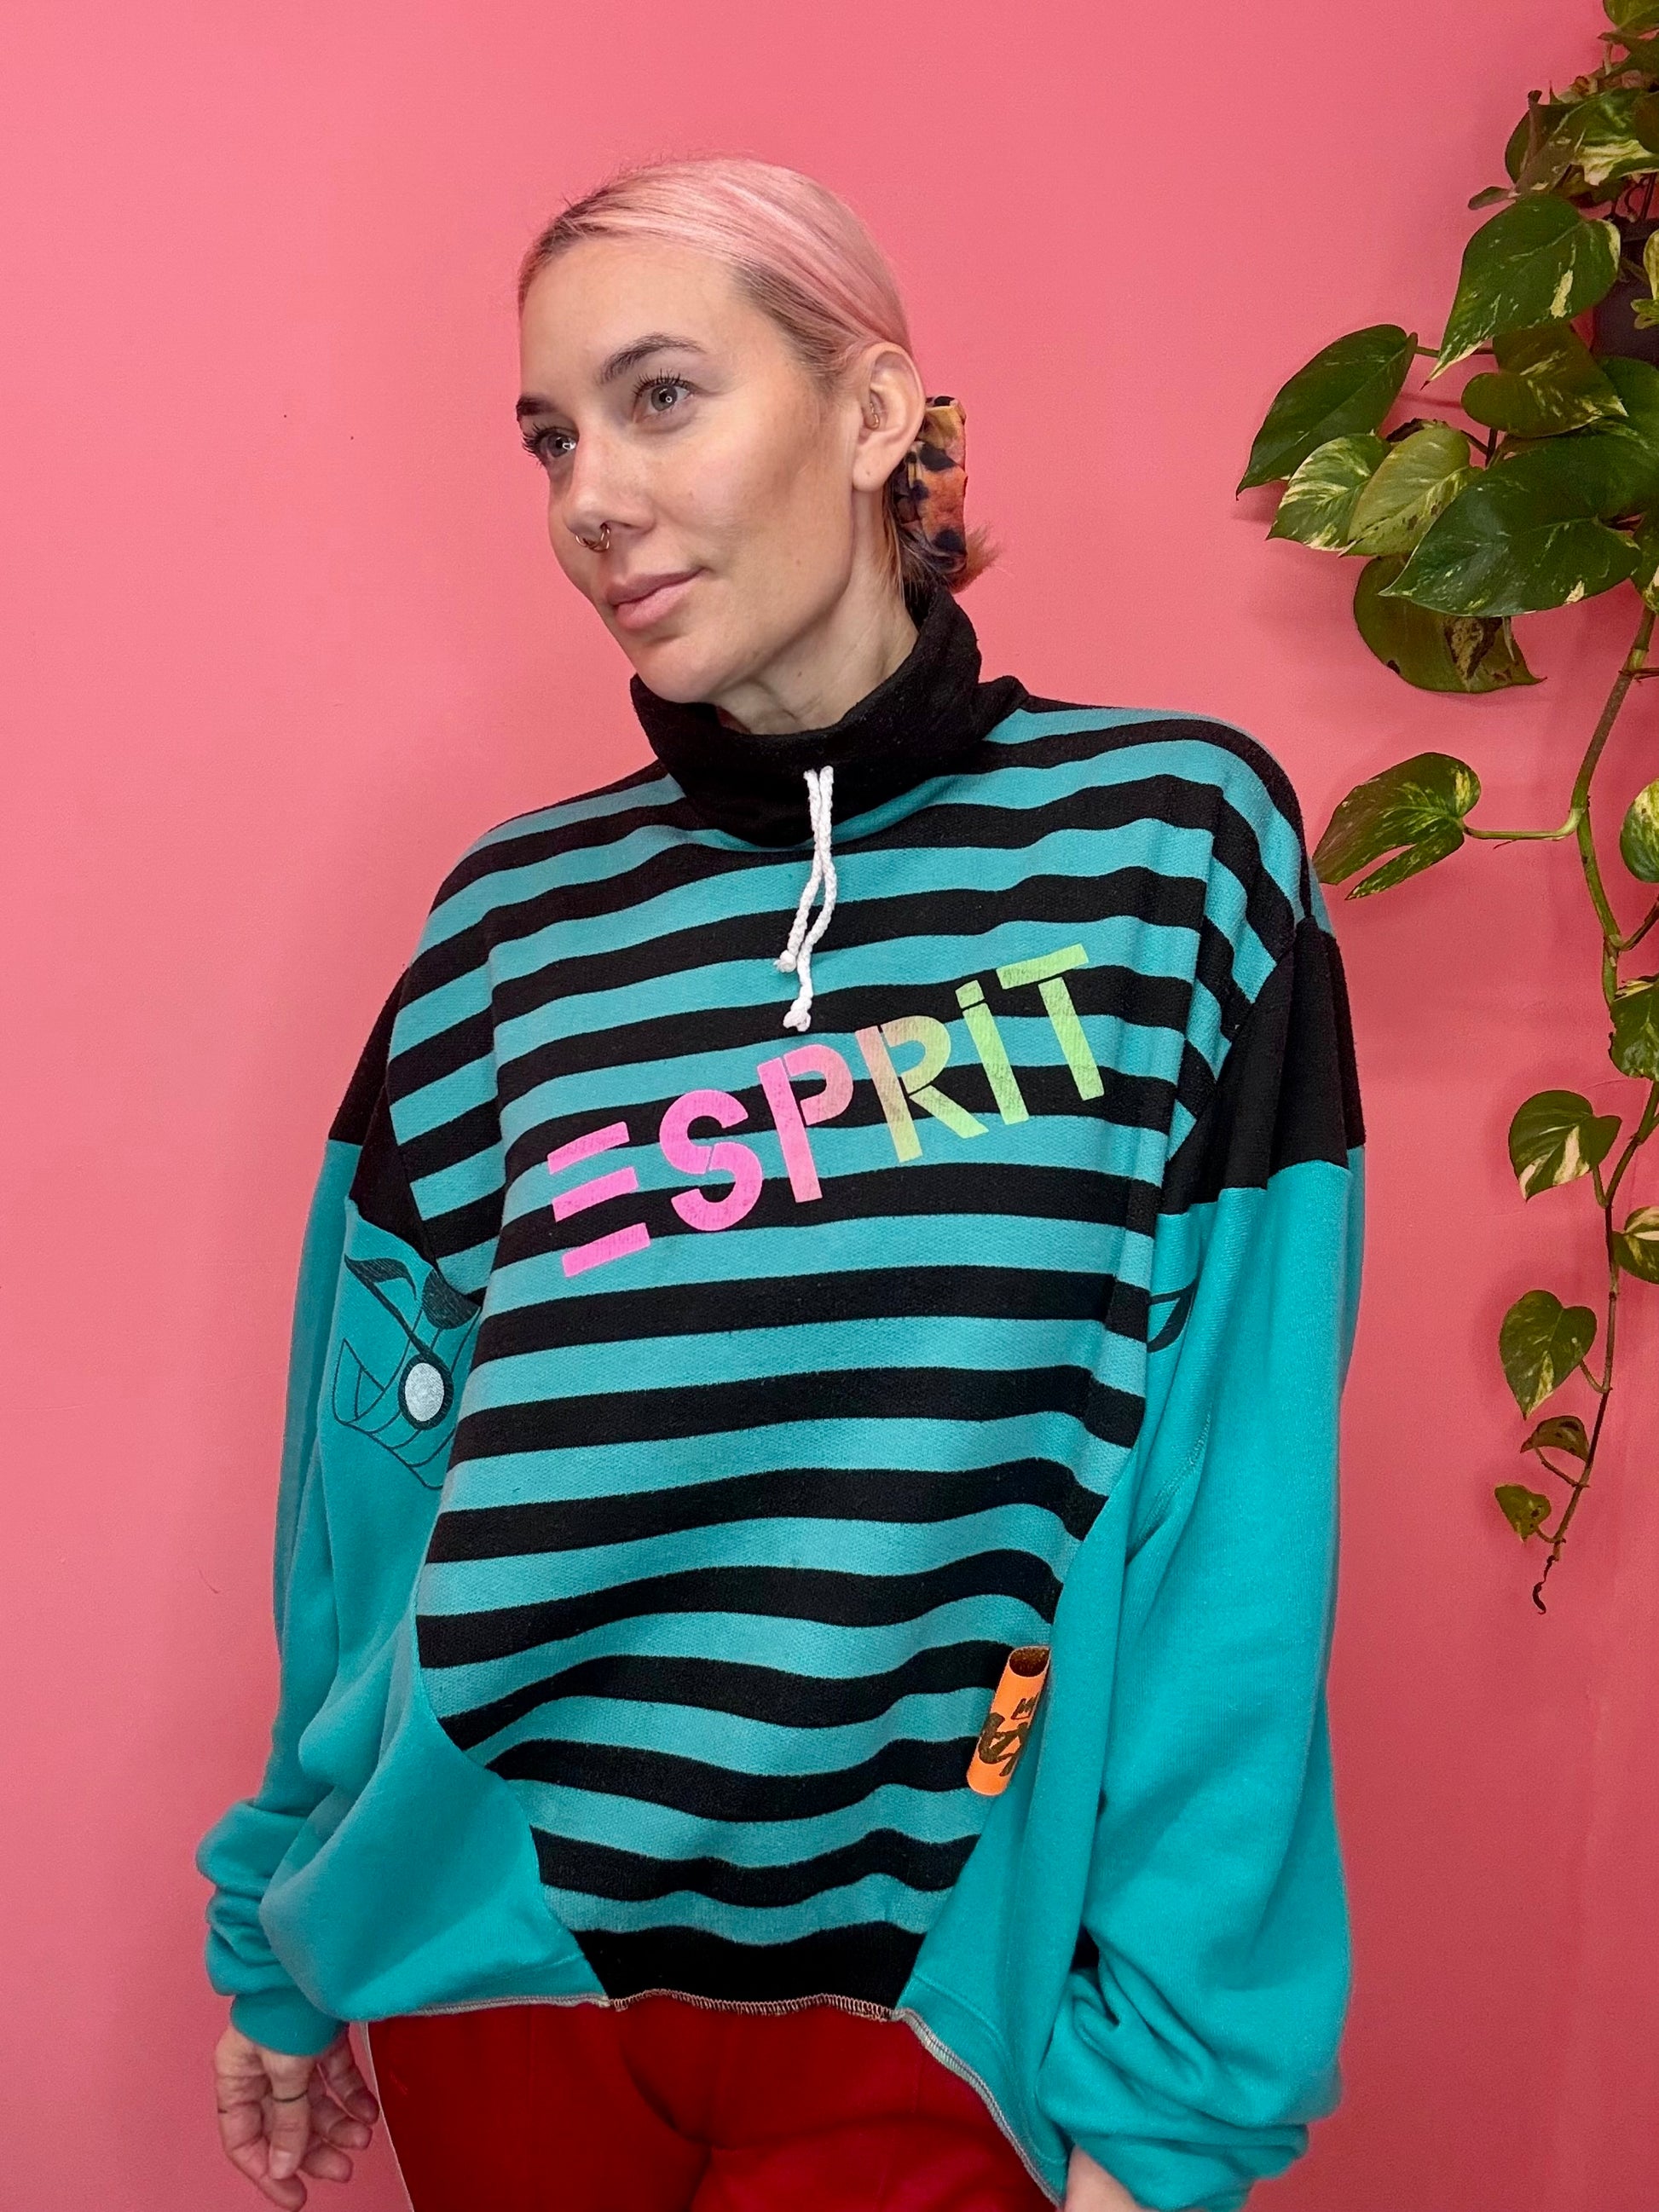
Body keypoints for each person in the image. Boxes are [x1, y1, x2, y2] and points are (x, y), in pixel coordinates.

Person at [197, 153, 1367, 2212]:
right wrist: (279, 1926)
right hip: (496, 1971)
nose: (590, 498)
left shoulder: (1172, 849)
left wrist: (1177, 2096)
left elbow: (1234, 1504)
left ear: (870, 410)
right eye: (551, 437)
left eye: (659, 397)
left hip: (938, 1996)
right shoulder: (508, 926)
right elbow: (370, 1492)